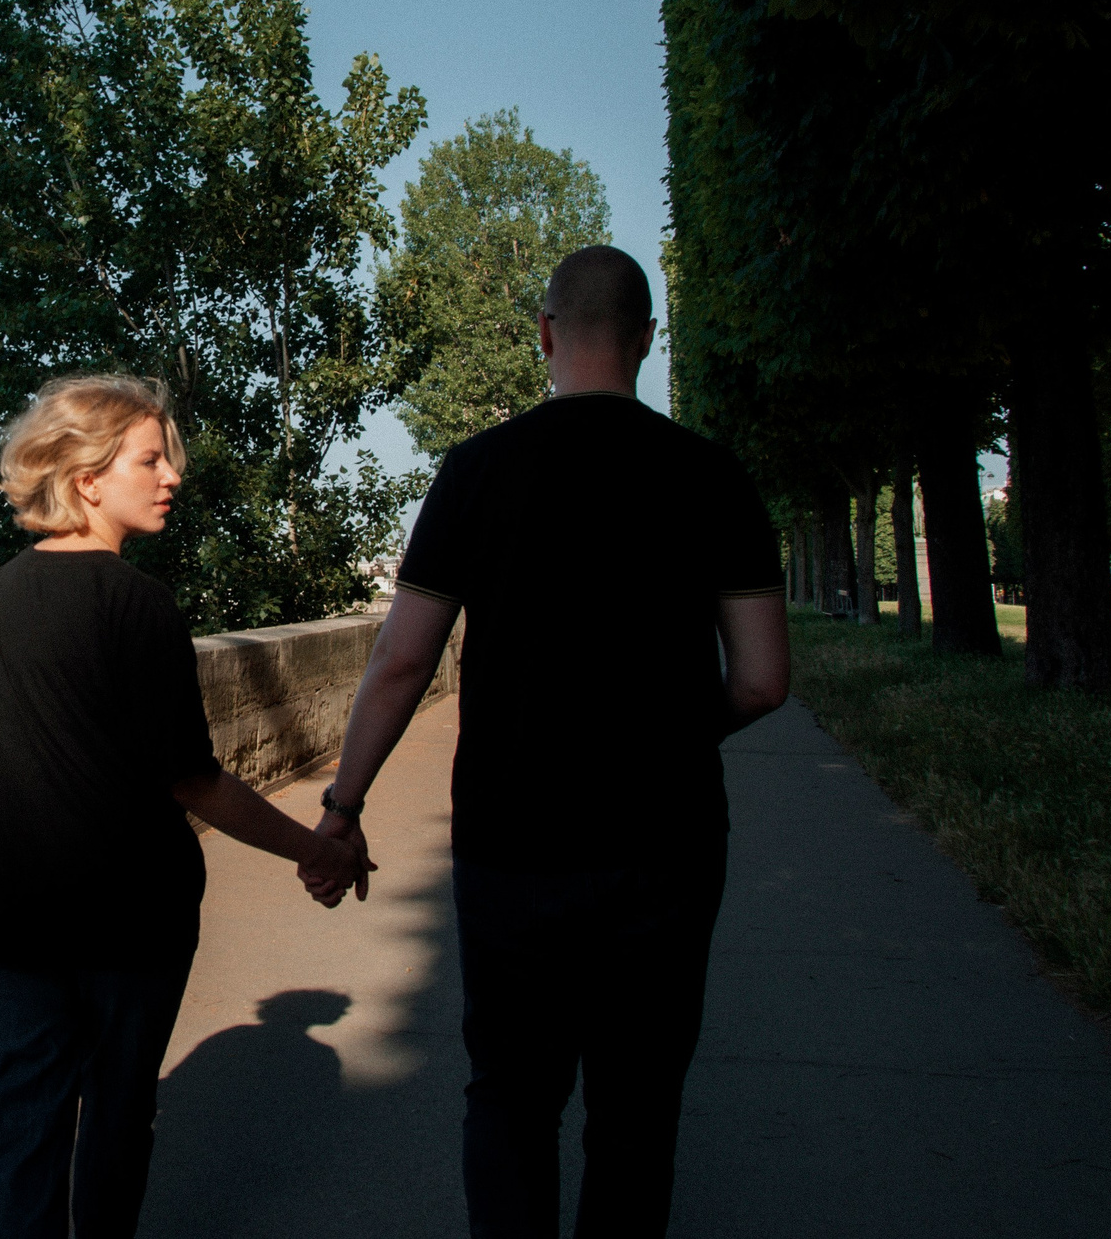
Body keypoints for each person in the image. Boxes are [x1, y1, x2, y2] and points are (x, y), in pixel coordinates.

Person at [311, 245, 791, 1238]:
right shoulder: (711, 476)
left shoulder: (477, 470)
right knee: (635, 1113)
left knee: (510, 1096)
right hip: (665, 840)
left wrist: (343, 803)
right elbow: (761, 677)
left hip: (510, 836)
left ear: (543, 332)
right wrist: (663, 731)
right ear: (645, 340)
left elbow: (401, 659)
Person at [0, 373, 365, 1239]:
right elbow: (192, 780)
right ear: (87, 478)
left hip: (4, 915)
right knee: (115, 1119)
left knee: (17, 1134)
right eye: (151, 459)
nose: (172, 475)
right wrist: (313, 848)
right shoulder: (135, 604)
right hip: (121, 921)